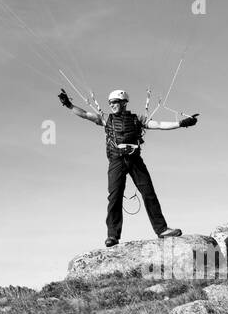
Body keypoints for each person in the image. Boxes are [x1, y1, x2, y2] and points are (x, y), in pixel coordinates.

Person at [58, 88, 198, 247]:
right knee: (114, 197)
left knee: (149, 193)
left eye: (115, 102)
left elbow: (159, 124)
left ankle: (162, 230)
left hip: (135, 159)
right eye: (110, 103)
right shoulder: (106, 119)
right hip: (116, 160)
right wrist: (69, 105)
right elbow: (85, 114)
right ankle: (113, 235)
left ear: (124, 103)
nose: (112, 105)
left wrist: (182, 123)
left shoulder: (137, 119)